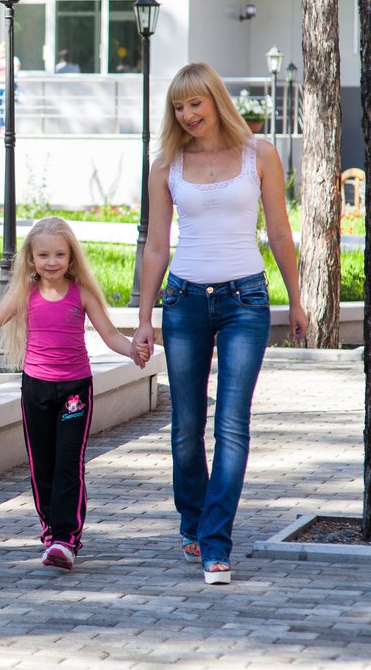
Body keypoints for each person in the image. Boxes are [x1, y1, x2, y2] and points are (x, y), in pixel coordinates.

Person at [132, 62, 306, 586]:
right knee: (186, 426)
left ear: (215, 101)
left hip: (244, 301)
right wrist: (143, 318)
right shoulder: (166, 165)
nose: (187, 115)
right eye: (179, 107)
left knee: (232, 423)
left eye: (195, 104)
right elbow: (157, 244)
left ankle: (215, 541)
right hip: (183, 301)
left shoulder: (261, 154)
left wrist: (296, 302)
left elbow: (278, 231)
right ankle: (194, 519)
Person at [0, 218, 145, 571]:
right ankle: (50, 531)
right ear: (31, 258)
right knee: (42, 463)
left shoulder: (81, 293)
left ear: (71, 257)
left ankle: (67, 538)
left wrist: (132, 350)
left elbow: (111, 335)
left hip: (74, 390)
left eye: (59, 254)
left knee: (68, 460)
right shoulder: (25, 293)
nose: (51, 262)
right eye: (43, 255)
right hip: (35, 388)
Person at [0, 42, 21, 129]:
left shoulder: (14, 60)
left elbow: (15, 73)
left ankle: (8, 126)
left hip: (8, 87)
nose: (1, 52)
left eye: (2, 49)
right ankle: (2, 126)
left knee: (6, 107)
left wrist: (2, 78)